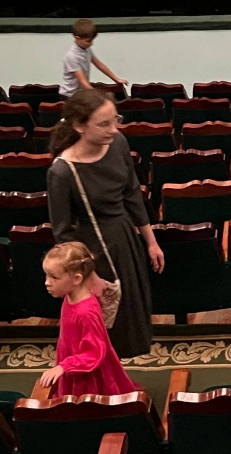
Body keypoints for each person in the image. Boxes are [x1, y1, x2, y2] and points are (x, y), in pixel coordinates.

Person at [47, 89, 164, 359]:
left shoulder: (118, 142)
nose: (113, 129)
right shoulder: (61, 171)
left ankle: (120, 377)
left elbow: (131, 193)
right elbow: (62, 232)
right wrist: (89, 275)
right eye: (104, 124)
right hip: (91, 252)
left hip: (124, 240)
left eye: (115, 120)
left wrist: (151, 242)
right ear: (80, 126)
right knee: (103, 331)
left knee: (131, 319)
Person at [39, 241, 139, 397]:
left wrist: (64, 367)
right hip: (73, 361)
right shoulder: (69, 296)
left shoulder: (86, 313)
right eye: (46, 275)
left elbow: (94, 352)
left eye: (54, 277)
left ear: (76, 279)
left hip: (88, 373)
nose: (47, 282)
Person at [59, 18, 128, 100]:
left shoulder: (86, 49)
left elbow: (100, 65)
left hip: (81, 92)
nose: (91, 44)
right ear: (77, 38)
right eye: (88, 41)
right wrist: (97, 95)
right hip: (69, 96)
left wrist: (116, 79)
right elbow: (83, 81)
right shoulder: (72, 56)